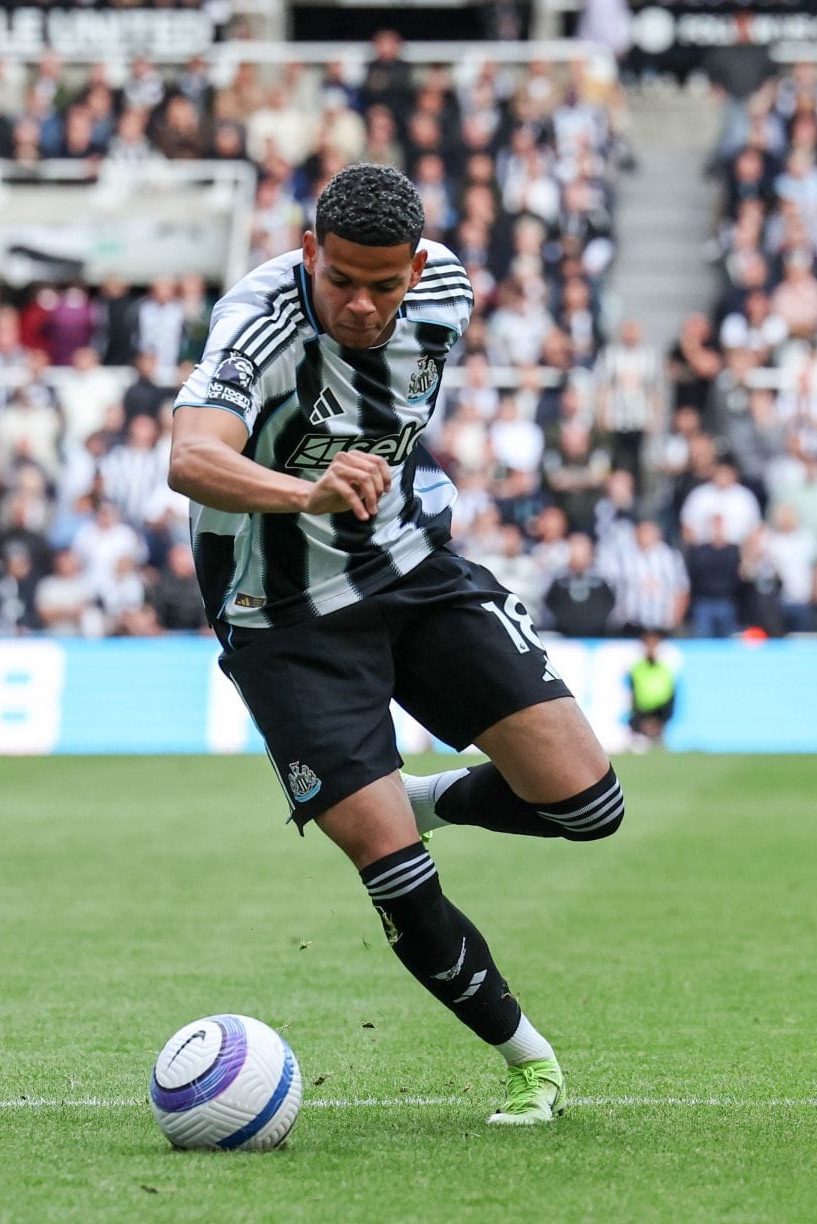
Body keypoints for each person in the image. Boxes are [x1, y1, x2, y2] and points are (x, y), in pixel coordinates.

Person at [166, 164, 622, 1127]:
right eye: (341, 282)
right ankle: (530, 1064)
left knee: (590, 806)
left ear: (417, 267)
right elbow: (191, 459)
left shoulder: (448, 291)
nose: (364, 305)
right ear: (307, 254)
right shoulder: (255, 321)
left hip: (412, 571)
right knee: (397, 873)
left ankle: (421, 797)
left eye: (385, 283)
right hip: (280, 615)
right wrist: (306, 491)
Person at [627, 630, 677, 750]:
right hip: (642, 710)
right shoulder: (637, 668)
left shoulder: (665, 668)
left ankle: (655, 732)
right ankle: (643, 734)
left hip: (660, 710)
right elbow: (633, 693)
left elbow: (668, 694)